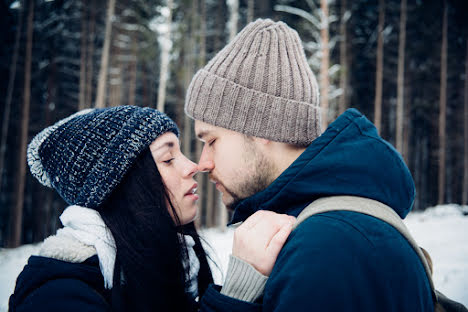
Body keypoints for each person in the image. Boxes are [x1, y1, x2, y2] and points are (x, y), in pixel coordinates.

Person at [185, 19, 434, 311]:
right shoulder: (328, 231)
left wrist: (233, 300)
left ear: (264, 127)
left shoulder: (327, 248)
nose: (203, 163)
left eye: (211, 140)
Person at [8, 106, 295, 312]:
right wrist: (235, 297)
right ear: (120, 185)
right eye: (168, 158)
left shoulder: (170, 272)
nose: (192, 166)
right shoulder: (58, 296)